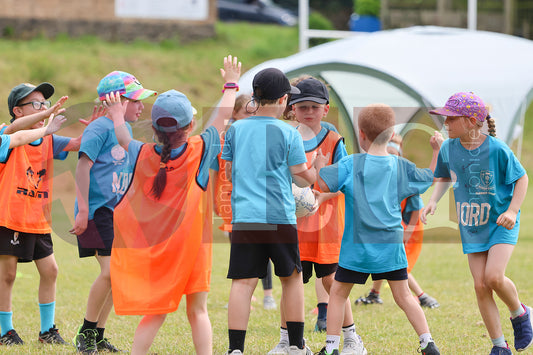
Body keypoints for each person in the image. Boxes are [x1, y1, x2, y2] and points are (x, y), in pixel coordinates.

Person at [107, 55, 241, 355]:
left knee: (155, 312)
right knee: (198, 311)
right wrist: (230, 84)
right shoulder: (199, 149)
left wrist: (117, 114)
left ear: (153, 128)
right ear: (190, 124)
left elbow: (123, 137)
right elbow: (221, 117)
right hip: (193, 252)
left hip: (159, 252)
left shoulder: (143, 154)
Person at [315, 103, 441, 355]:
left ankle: (331, 348)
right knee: (404, 296)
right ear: (392, 134)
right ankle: (427, 342)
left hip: (357, 248)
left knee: (338, 294)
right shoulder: (400, 166)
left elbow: (321, 183)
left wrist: (319, 163)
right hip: (390, 246)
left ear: (361, 134)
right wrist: (437, 151)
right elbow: (430, 176)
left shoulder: (351, 164)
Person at [421, 92, 532, 355]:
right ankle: (499, 346)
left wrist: (513, 211)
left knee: (493, 277)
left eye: (451, 119)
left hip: (500, 223)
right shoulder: (449, 148)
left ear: (471, 121)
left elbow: (522, 178)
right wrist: (433, 201)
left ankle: (520, 313)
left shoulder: (496, 148)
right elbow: (445, 176)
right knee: (480, 285)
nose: (445, 123)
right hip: (472, 226)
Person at [222, 67, 317, 355]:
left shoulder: (236, 129)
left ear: (254, 97)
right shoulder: (289, 134)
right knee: (291, 279)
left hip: (246, 218)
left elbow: (228, 171)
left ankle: (235, 350)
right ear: (284, 99)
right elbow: (302, 177)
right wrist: (316, 171)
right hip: (279, 217)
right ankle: (296, 346)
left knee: (243, 282)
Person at [269, 77, 366, 355]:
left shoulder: (334, 141)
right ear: (291, 109)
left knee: (332, 282)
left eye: (314, 106)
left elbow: (345, 180)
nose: (308, 112)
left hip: (326, 227)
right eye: (302, 107)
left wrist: (322, 196)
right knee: (291, 282)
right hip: (293, 225)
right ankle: (287, 342)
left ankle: (351, 339)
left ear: (325, 109)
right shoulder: (286, 137)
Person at [70, 71, 157, 354]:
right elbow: (83, 166)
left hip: (116, 211)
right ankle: (85, 333)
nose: (141, 106)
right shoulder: (98, 129)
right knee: (109, 272)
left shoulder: (125, 130)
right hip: (98, 211)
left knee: (117, 274)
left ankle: (97, 334)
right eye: (136, 101)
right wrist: (83, 209)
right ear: (116, 101)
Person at [0, 81, 89, 346]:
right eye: (36, 104)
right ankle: (6, 330)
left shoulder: (48, 139)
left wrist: (98, 127)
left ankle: (47, 330)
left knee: (50, 270)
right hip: (9, 218)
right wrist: (47, 119)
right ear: (17, 110)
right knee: (8, 274)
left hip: (37, 220)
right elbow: (14, 132)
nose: (44, 108)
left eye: (45, 104)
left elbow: (76, 143)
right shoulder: (6, 135)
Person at [354, 134, 440, 309]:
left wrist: (408, 231)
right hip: (397, 227)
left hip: (411, 227)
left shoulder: (404, 177)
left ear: (400, 156)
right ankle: (374, 294)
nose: (390, 157)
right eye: (388, 153)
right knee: (383, 260)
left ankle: (423, 297)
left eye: (394, 153)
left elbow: (416, 209)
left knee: (398, 266)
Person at [212, 93, 277, 311]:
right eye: (246, 112)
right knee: (240, 249)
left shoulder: (262, 135)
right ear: (234, 113)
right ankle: (243, 296)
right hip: (232, 200)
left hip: (257, 199)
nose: (251, 115)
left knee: (263, 247)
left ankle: (268, 295)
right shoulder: (225, 137)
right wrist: (214, 198)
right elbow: (217, 169)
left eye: (254, 111)